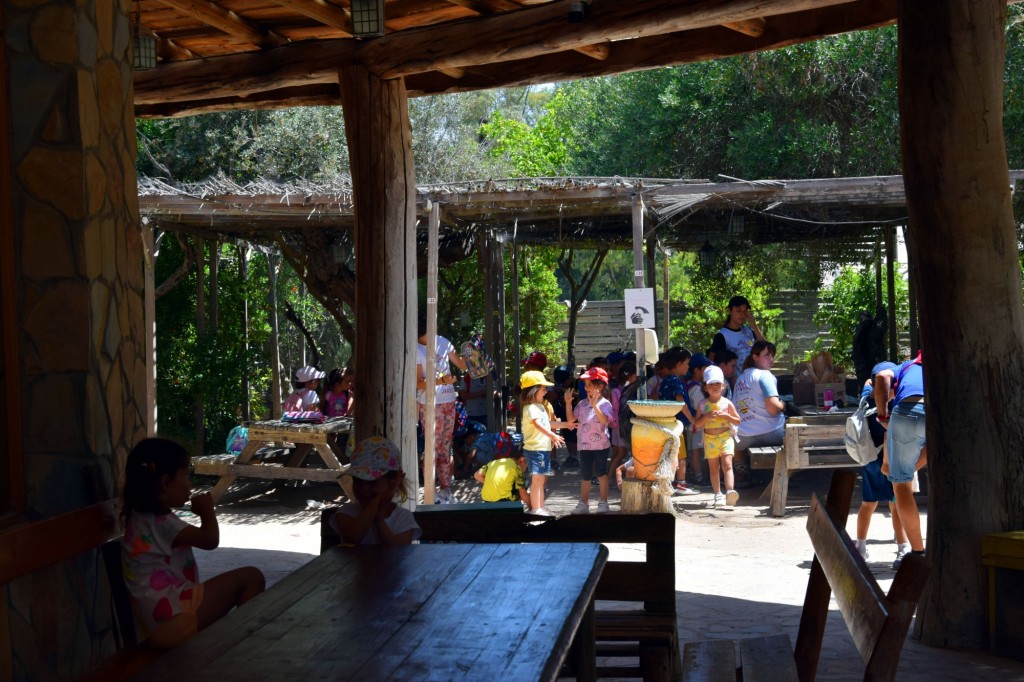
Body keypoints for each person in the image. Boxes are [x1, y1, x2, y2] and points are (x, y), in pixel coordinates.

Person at [121, 438, 265, 649]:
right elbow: (210, 540)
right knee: (252, 577)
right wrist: (208, 511)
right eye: (186, 476)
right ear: (165, 482)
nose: (189, 484)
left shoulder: (139, 517)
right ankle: (240, 648)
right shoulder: (164, 524)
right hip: (174, 619)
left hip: (154, 622)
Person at [852, 363, 911, 567]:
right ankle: (903, 548)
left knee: (868, 504)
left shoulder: (866, 399)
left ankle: (860, 546)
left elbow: (868, 385)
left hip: (869, 459)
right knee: (896, 506)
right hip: (889, 459)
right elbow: (889, 435)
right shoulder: (892, 404)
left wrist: (870, 382)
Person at [873, 351, 926, 563]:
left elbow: (881, 377)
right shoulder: (942, 362)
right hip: (944, 412)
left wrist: (882, 414)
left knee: (901, 485)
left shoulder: (903, 367)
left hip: (909, 410)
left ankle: (918, 551)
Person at [416, 318, 469, 504]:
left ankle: (446, 490)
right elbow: (418, 383)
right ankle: (430, 492)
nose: (432, 336)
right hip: (430, 403)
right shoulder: (416, 349)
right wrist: (441, 381)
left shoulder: (443, 341)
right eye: (427, 333)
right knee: (432, 448)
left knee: (446, 448)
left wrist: (473, 356)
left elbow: (462, 364)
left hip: (448, 400)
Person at [334, 437, 421, 545]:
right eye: (358, 481)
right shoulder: (346, 512)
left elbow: (398, 553)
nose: (363, 489)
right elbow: (353, 538)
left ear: (392, 484)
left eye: (372, 482)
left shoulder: (403, 518)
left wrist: (379, 521)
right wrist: (376, 502)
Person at [733, 340, 786, 488]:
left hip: (742, 436)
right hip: (771, 432)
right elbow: (773, 408)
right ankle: (787, 475)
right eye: (767, 355)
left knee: (737, 447)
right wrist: (783, 405)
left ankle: (741, 474)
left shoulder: (741, 378)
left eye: (772, 355)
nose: (771, 359)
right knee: (795, 432)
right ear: (755, 357)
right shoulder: (765, 375)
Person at [520, 370, 572, 516]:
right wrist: (553, 436)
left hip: (542, 449)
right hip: (535, 449)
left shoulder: (541, 406)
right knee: (537, 480)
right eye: (543, 388)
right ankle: (536, 509)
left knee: (541, 480)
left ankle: (540, 507)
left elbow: (547, 423)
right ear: (534, 389)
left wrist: (566, 425)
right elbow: (538, 425)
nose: (546, 391)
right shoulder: (530, 408)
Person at [564, 366, 614, 514]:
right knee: (585, 475)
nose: (586, 388)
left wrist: (595, 406)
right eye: (585, 385)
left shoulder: (605, 403)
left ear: (600, 387)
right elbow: (571, 420)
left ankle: (603, 502)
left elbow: (605, 421)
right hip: (584, 446)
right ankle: (583, 503)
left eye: (589, 385)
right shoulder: (582, 403)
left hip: (601, 445)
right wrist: (568, 403)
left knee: (601, 473)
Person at [693, 365, 741, 507]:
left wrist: (726, 415)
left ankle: (730, 492)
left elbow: (737, 420)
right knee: (714, 468)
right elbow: (697, 424)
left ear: (723, 386)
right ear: (705, 387)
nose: (714, 386)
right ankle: (718, 494)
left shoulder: (727, 403)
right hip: (709, 440)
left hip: (725, 437)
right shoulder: (702, 405)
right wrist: (706, 416)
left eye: (717, 384)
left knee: (727, 464)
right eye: (711, 384)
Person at [657, 346, 700, 495]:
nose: (688, 367)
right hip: (676, 426)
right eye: (687, 363)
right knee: (680, 456)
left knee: (668, 456)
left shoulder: (665, 381)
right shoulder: (676, 381)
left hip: (664, 424)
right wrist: (692, 419)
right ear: (679, 363)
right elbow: (680, 401)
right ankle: (681, 484)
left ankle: (668, 483)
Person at [708, 295, 765, 370]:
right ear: (729, 311)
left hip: (752, 376)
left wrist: (754, 326)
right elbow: (712, 360)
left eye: (745, 311)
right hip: (736, 380)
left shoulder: (749, 330)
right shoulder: (722, 335)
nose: (742, 314)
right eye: (738, 311)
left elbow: (764, 347)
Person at [685, 353, 713, 487]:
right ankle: (699, 477)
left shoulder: (690, 385)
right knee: (696, 451)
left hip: (692, 424)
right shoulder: (696, 388)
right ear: (696, 370)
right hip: (697, 424)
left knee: (694, 450)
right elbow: (699, 407)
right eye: (705, 369)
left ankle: (697, 475)